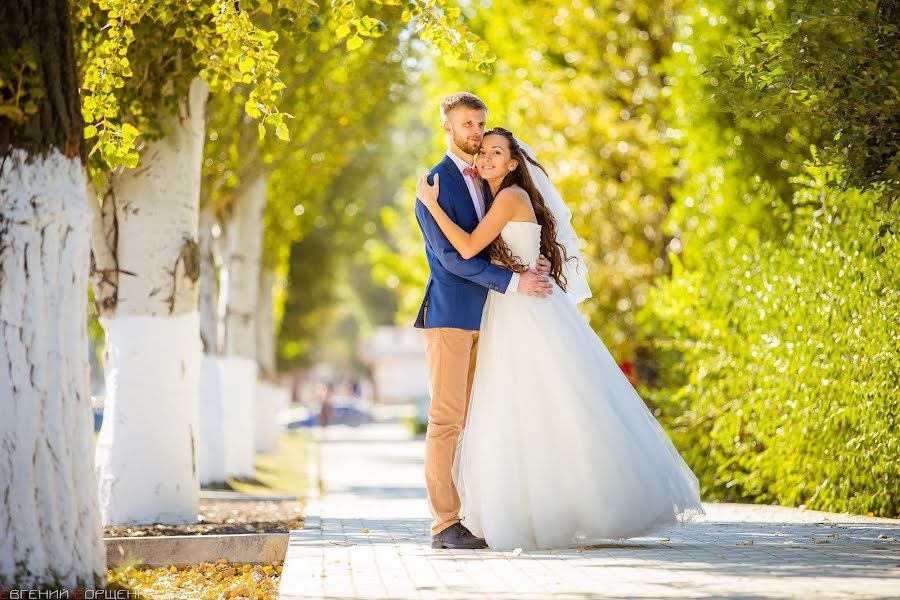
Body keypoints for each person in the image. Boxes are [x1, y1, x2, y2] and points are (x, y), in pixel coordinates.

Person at [415, 126, 704, 550]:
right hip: (513, 308)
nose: (487, 157)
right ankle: (525, 508)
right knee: (525, 410)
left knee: (538, 407)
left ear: (514, 163)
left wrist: (431, 205)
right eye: (485, 152)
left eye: (498, 152)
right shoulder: (500, 198)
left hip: (521, 311)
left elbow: (468, 247)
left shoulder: (510, 197)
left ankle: (550, 509)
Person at [414, 92, 554, 550]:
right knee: (447, 420)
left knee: (480, 419)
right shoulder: (434, 184)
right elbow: (453, 259)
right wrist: (514, 283)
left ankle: (475, 512)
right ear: (448, 129)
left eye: (480, 124)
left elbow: (504, 235)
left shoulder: (489, 180)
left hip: (494, 320)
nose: (475, 133)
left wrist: (534, 263)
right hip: (453, 316)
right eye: (466, 125)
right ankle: (444, 523)